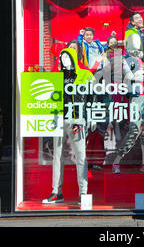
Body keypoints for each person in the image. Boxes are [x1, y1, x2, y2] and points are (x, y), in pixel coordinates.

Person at [42, 47, 94, 205]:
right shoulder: (56, 76)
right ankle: (56, 192)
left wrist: (90, 116)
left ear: (72, 58)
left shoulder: (85, 74)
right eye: (61, 58)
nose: (64, 60)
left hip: (77, 120)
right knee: (57, 156)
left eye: (67, 57)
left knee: (80, 156)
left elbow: (92, 97)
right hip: (59, 119)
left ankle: (83, 192)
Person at [111, 32, 144, 174]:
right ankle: (117, 161)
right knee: (133, 130)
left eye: (137, 41)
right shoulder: (125, 60)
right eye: (133, 41)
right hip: (137, 96)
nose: (136, 44)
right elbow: (130, 77)